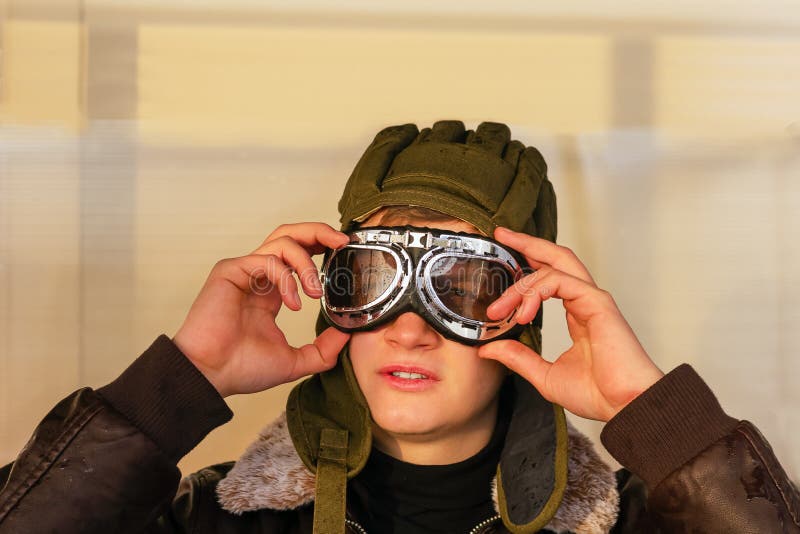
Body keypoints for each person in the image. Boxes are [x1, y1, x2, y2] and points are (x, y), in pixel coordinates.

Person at [0, 121, 797, 534]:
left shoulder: (636, 525)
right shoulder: (211, 521)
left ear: (526, 316)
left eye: (465, 291)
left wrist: (649, 411)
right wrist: (175, 386)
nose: (409, 330)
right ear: (329, 293)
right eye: (373, 282)